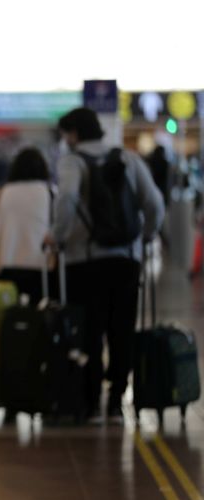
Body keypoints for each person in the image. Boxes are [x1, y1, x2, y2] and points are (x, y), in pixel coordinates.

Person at [48, 107, 164, 424]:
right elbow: (153, 203)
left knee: (90, 331)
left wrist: (57, 236)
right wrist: (147, 235)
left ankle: (90, 402)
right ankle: (116, 401)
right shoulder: (127, 159)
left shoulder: (72, 161)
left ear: (72, 134)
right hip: (126, 258)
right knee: (122, 328)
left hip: (84, 260)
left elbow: (67, 198)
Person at [0, 147, 54, 305]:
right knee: (38, 314)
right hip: (41, 265)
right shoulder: (49, 192)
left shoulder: (1, 192)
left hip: (6, 264)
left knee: (8, 314)